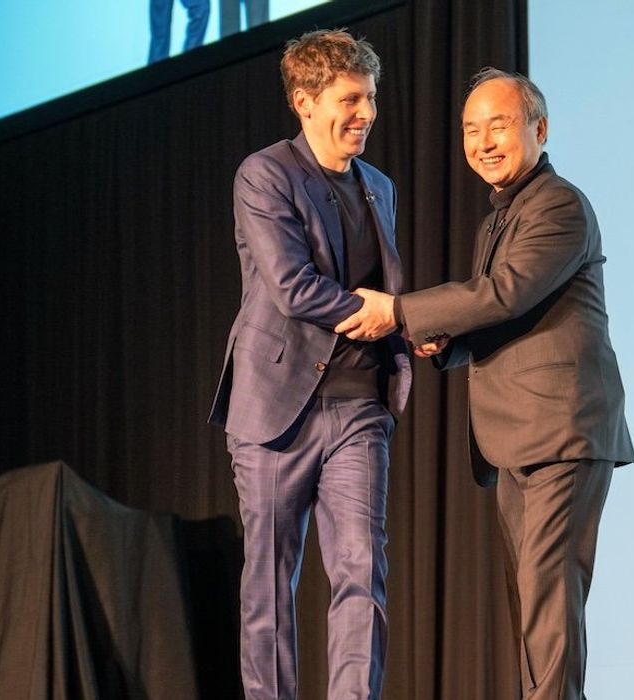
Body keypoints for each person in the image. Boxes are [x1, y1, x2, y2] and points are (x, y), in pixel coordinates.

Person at [335, 68, 634, 699]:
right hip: (515, 439)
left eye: (498, 125)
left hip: (560, 431)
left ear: (539, 128)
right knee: (532, 609)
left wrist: (399, 311)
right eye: (471, 130)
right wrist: (447, 341)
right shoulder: (498, 219)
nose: (483, 142)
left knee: (549, 605)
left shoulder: (559, 204)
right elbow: (505, 312)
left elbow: (507, 292)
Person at [208, 29, 409, 700]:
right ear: (305, 100)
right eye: (351, 99)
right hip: (275, 410)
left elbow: (386, 292)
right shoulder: (264, 174)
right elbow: (293, 288)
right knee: (268, 581)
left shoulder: (378, 185)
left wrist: (409, 325)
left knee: (361, 570)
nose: (366, 114)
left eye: (371, 98)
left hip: (358, 407)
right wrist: (383, 311)